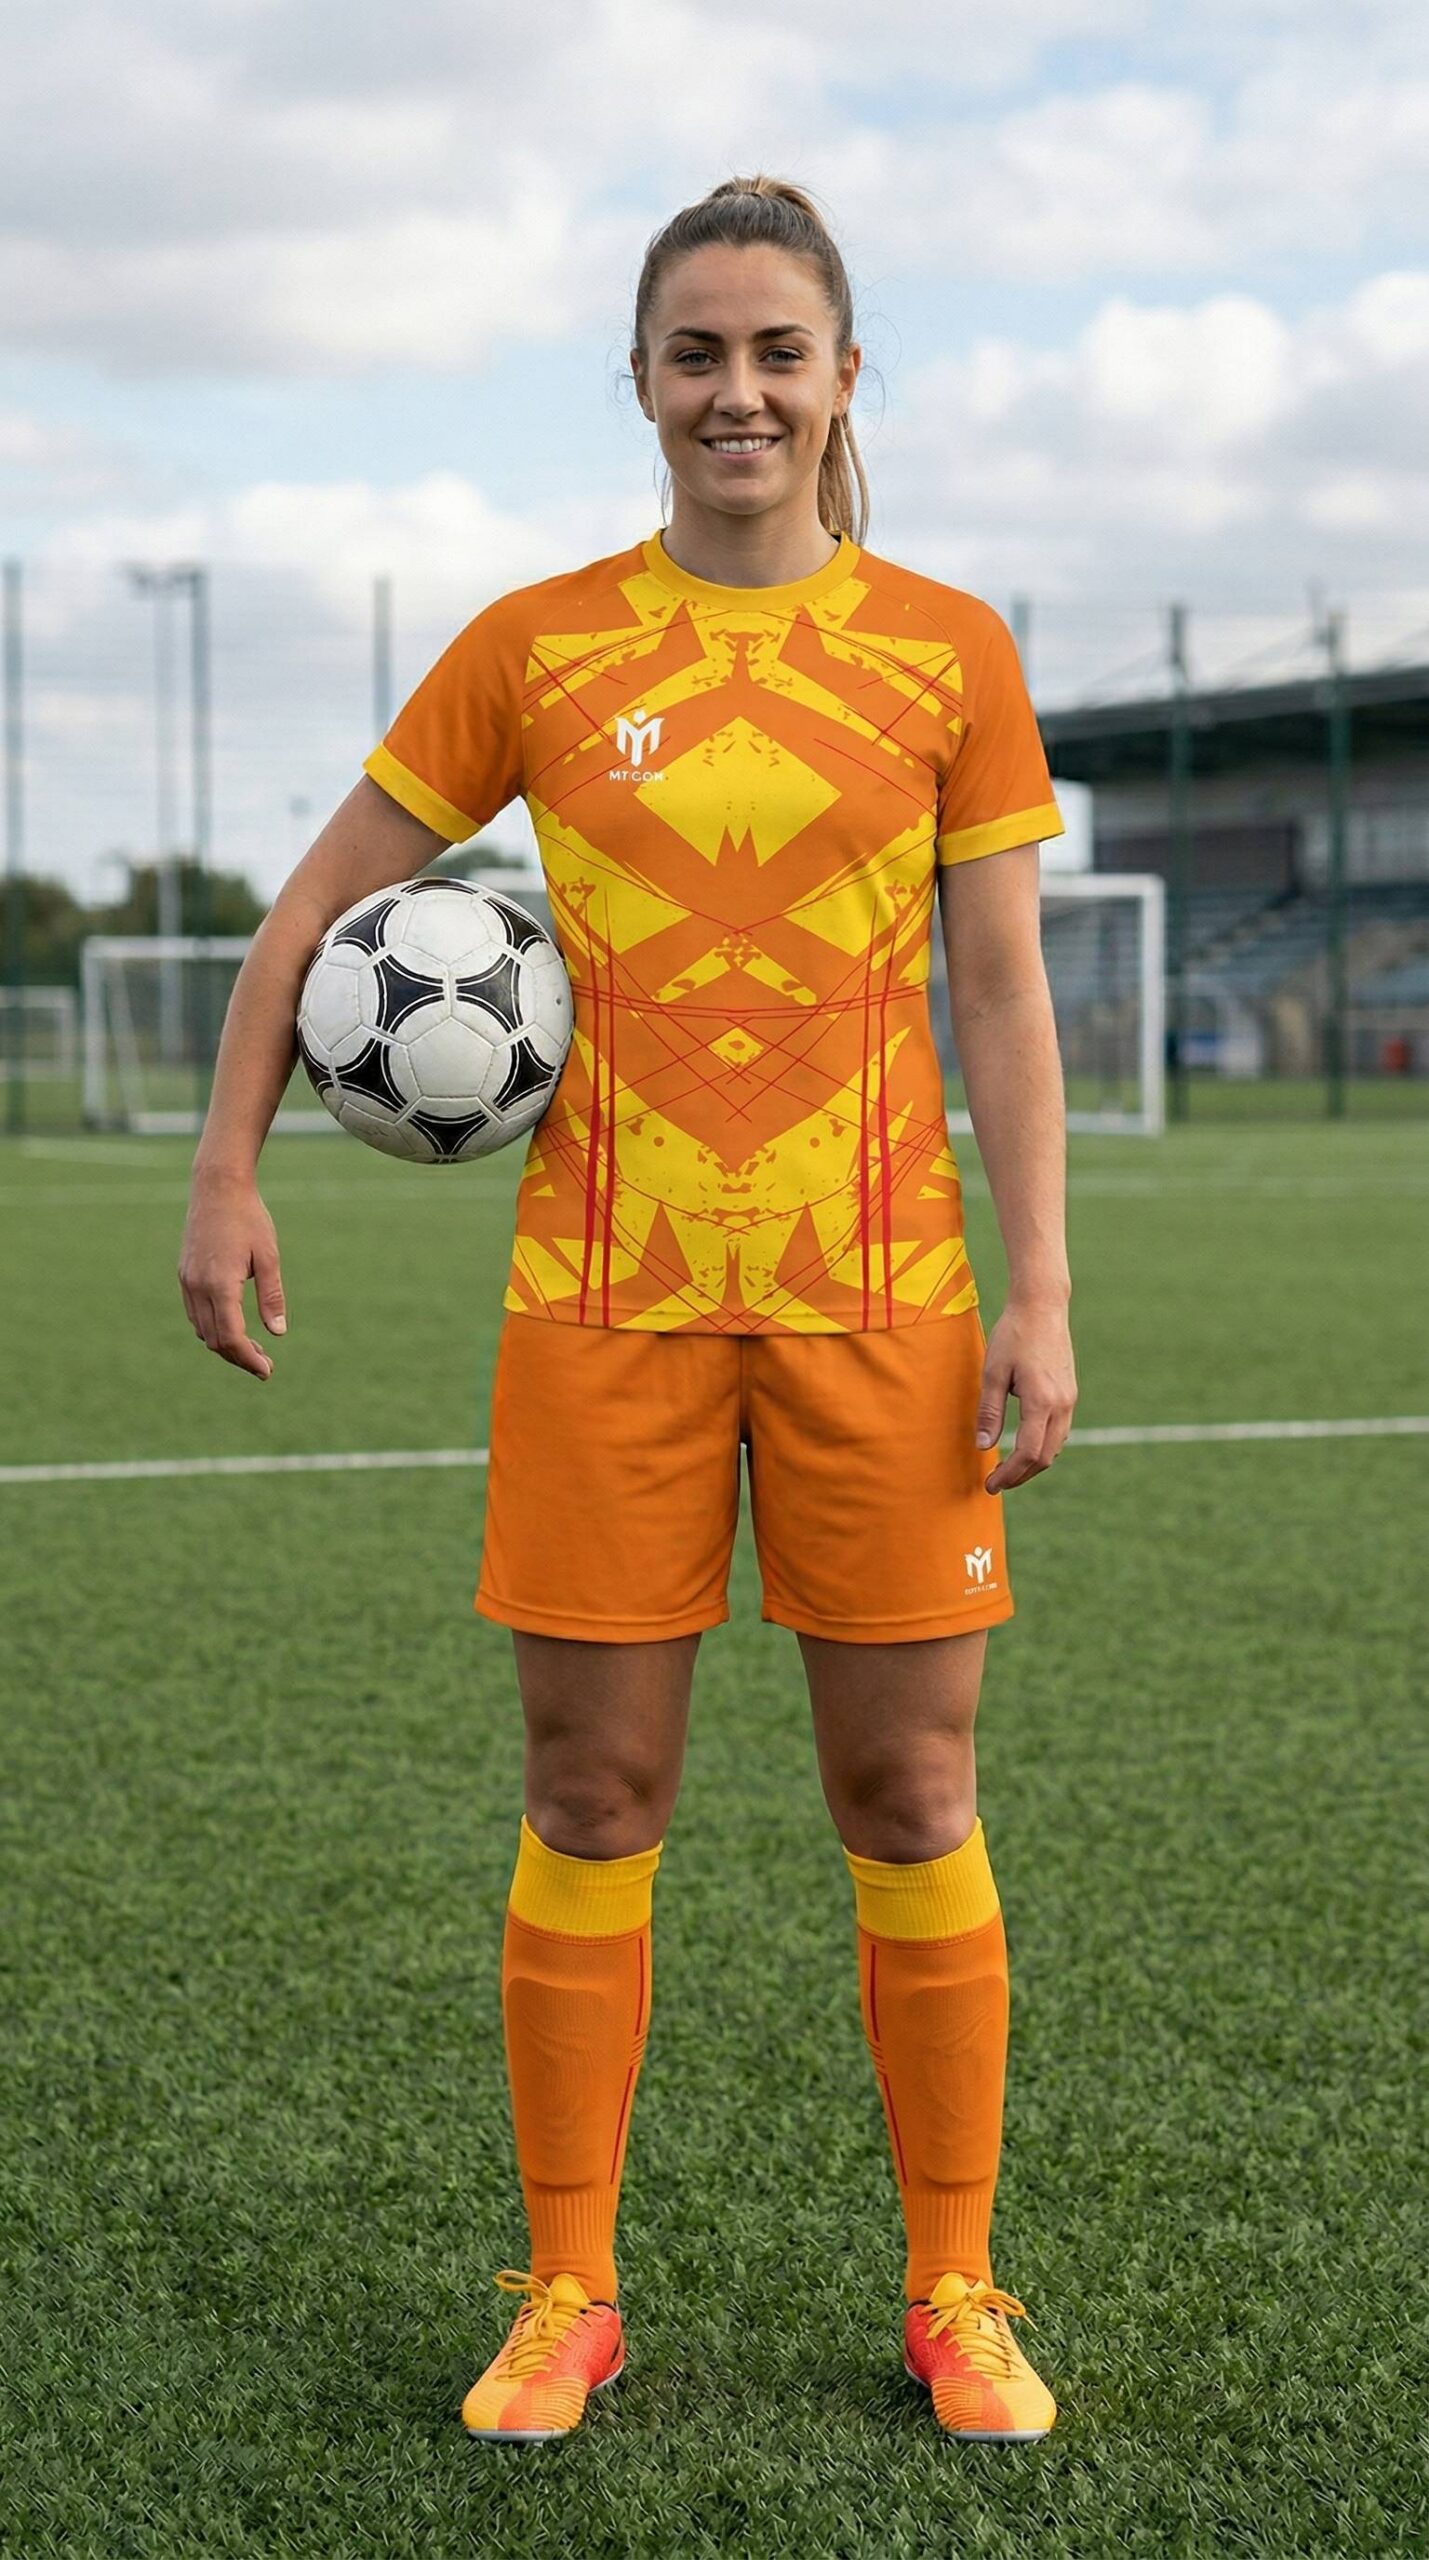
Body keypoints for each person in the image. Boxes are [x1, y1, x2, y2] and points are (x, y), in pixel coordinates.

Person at [178, 172, 1077, 2450]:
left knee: (914, 1782)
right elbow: (311, 912)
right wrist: (223, 1166)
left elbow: (998, 991)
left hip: (886, 1302)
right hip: (606, 1307)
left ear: (844, 377)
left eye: (779, 351)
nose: (739, 390)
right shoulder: (538, 644)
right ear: (646, 384)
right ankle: (567, 2283)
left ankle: (954, 2283)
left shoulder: (948, 649)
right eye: (698, 352)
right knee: (592, 1787)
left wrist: (1039, 1286)